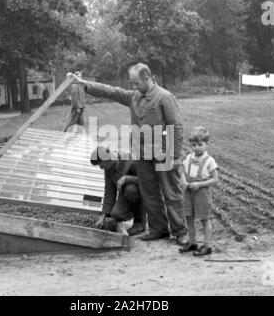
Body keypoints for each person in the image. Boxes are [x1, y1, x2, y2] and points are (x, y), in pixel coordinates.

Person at [68, 63, 188, 244]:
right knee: (150, 194)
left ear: (147, 78)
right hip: (142, 155)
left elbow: (177, 127)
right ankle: (159, 229)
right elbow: (111, 91)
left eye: (136, 83)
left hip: (164, 153)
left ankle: (180, 232)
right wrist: (85, 84)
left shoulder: (164, 97)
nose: (133, 87)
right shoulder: (134, 97)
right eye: (132, 84)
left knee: (171, 193)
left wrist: (175, 155)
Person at [179, 127, 219, 256]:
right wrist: (184, 181)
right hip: (188, 192)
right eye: (194, 145)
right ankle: (192, 243)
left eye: (200, 145)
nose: (197, 148)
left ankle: (207, 246)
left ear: (207, 144)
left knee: (204, 219)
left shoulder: (209, 161)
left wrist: (200, 184)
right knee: (189, 217)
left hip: (201, 194)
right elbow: (183, 171)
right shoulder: (189, 158)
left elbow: (215, 179)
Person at [90, 146, 146, 236]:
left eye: (101, 164)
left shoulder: (131, 160)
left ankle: (140, 222)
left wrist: (126, 179)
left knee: (131, 190)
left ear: (107, 159)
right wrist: (103, 216)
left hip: (143, 193)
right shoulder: (109, 168)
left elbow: (146, 180)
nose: (101, 168)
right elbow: (109, 191)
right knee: (116, 215)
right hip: (125, 195)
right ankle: (130, 212)